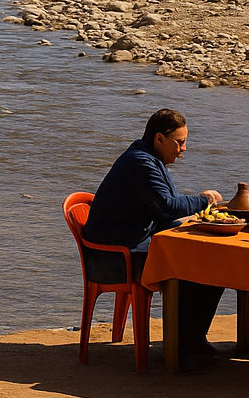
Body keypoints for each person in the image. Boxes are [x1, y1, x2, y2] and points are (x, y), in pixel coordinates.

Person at [82, 108, 226, 366]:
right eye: (179, 143)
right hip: (116, 255)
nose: (183, 149)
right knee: (203, 266)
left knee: (209, 259)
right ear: (159, 138)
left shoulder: (149, 158)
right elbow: (167, 206)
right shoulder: (140, 162)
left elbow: (161, 210)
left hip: (130, 240)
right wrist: (205, 201)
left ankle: (190, 339)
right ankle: (184, 347)